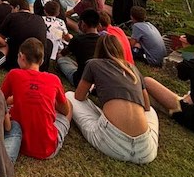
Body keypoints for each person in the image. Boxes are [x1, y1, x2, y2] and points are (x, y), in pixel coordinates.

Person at [66, 35, 159, 164]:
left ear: (98, 49)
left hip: (110, 143)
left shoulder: (94, 64)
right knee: (151, 112)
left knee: (69, 96)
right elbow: (147, 107)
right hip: (145, 152)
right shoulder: (133, 69)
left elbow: (79, 96)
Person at [1, 38, 72, 159]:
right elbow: (65, 111)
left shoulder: (14, 74)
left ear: (21, 57)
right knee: (69, 103)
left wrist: (18, 97)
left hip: (19, 142)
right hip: (47, 149)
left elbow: (0, 100)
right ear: (42, 60)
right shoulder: (54, 79)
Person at [0, 0, 48, 71]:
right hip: (38, 64)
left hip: (15, 62)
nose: (11, 11)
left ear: (17, 7)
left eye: (12, 8)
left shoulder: (12, 16)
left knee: (3, 45)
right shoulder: (40, 19)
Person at [57, 9, 100, 86]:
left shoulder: (78, 39)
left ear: (83, 24)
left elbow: (63, 53)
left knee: (61, 59)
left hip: (80, 80)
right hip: (98, 81)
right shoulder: (103, 41)